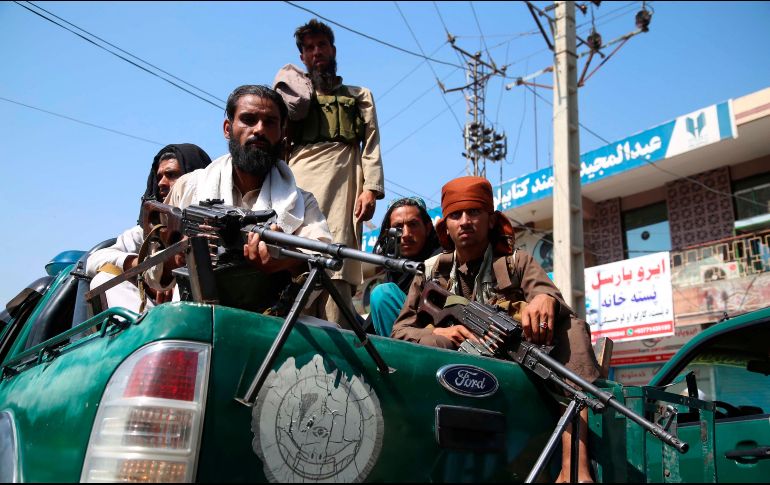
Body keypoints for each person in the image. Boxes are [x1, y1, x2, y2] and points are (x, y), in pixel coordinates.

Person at [391, 176, 600, 483]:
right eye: (456, 215)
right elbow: (401, 332)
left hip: (510, 371)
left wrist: (544, 299)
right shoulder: (433, 271)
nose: (465, 221)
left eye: (474, 212)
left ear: (490, 220)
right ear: (445, 226)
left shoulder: (517, 263)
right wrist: (439, 335)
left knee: (572, 328)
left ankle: (576, 470)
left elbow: (552, 300)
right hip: (449, 374)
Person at [147, 84, 332, 301]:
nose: (259, 130)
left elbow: (324, 265)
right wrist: (177, 256)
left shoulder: (302, 202)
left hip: (271, 321)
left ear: (282, 133)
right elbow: (151, 268)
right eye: (248, 120)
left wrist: (289, 259)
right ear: (228, 129)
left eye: (270, 122)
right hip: (195, 319)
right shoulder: (190, 187)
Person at [273, 19, 384, 328]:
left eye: (322, 45)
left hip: (344, 186)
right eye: (309, 48)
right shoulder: (293, 100)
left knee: (338, 268)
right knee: (296, 263)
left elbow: (371, 144)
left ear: (333, 49)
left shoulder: (359, 95)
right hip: (300, 182)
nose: (316, 52)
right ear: (302, 57)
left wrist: (371, 189)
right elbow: (278, 147)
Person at [85, 144, 213, 312]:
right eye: (159, 176)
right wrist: (148, 271)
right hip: (158, 324)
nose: (161, 183)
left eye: (172, 175)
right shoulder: (152, 229)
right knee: (103, 279)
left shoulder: (212, 224)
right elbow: (93, 261)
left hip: (210, 315)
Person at [368, 196, 441, 337]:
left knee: (383, 294)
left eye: (413, 224)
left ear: (427, 228)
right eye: (398, 227)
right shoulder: (392, 270)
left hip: (429, 344)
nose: (406, 234)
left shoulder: (440, 261)